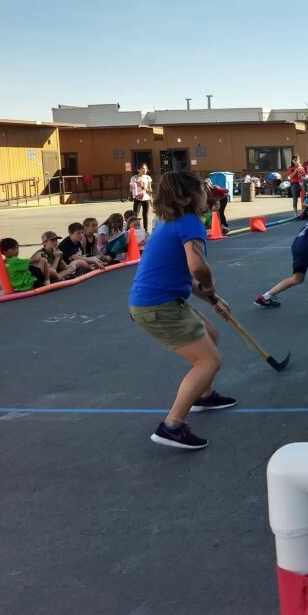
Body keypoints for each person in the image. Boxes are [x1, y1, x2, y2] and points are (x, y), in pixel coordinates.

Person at [128, 170, 237, 451]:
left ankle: (205, 394)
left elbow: (186, 280)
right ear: (189, 196)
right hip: (158, 306)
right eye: (201, 189)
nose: (205, 193)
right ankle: (172, 426)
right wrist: (211, 284)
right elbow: (197, 268)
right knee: (208, 362)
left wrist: (214, 299)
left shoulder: (170, 222)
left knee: (210, 335)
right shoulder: (189, 222)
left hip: (159, 300)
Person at [129, 164, 153, 231]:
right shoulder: (134, 178)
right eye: (142, 168)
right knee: (135, 215)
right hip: (137, 199)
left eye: (145, 168)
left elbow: (150, 189)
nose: (144, 170)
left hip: (146, 198)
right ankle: (133, 230)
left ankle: (145, 230)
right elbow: (131, 189)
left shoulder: (148, 177)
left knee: (145, 215)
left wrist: (151, 198)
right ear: (138, 170)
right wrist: (134, 190)